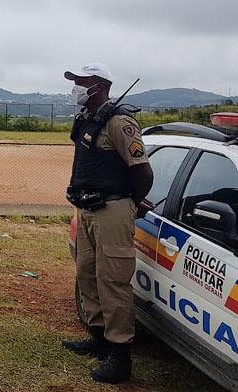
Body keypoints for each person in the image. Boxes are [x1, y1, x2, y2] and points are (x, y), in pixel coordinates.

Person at [61, 63, 154, 384]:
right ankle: (98, 338)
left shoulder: (120, 123)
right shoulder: (88, 119)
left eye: (80, 82)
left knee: (113, 280)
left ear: (98, 85)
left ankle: (119, 354)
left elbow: (143, 172)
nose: (75, 87)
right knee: (88, 273)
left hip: (112, 209)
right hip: (86, 207)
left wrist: (130, 203)